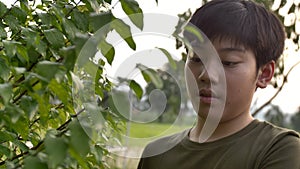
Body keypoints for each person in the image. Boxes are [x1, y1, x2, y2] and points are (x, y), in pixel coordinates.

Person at [137, 0, 300, 169]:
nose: (206, 74)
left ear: (264, 74)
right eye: (196, 58)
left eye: (228, 62)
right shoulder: (157, 154)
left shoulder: (278, 149)